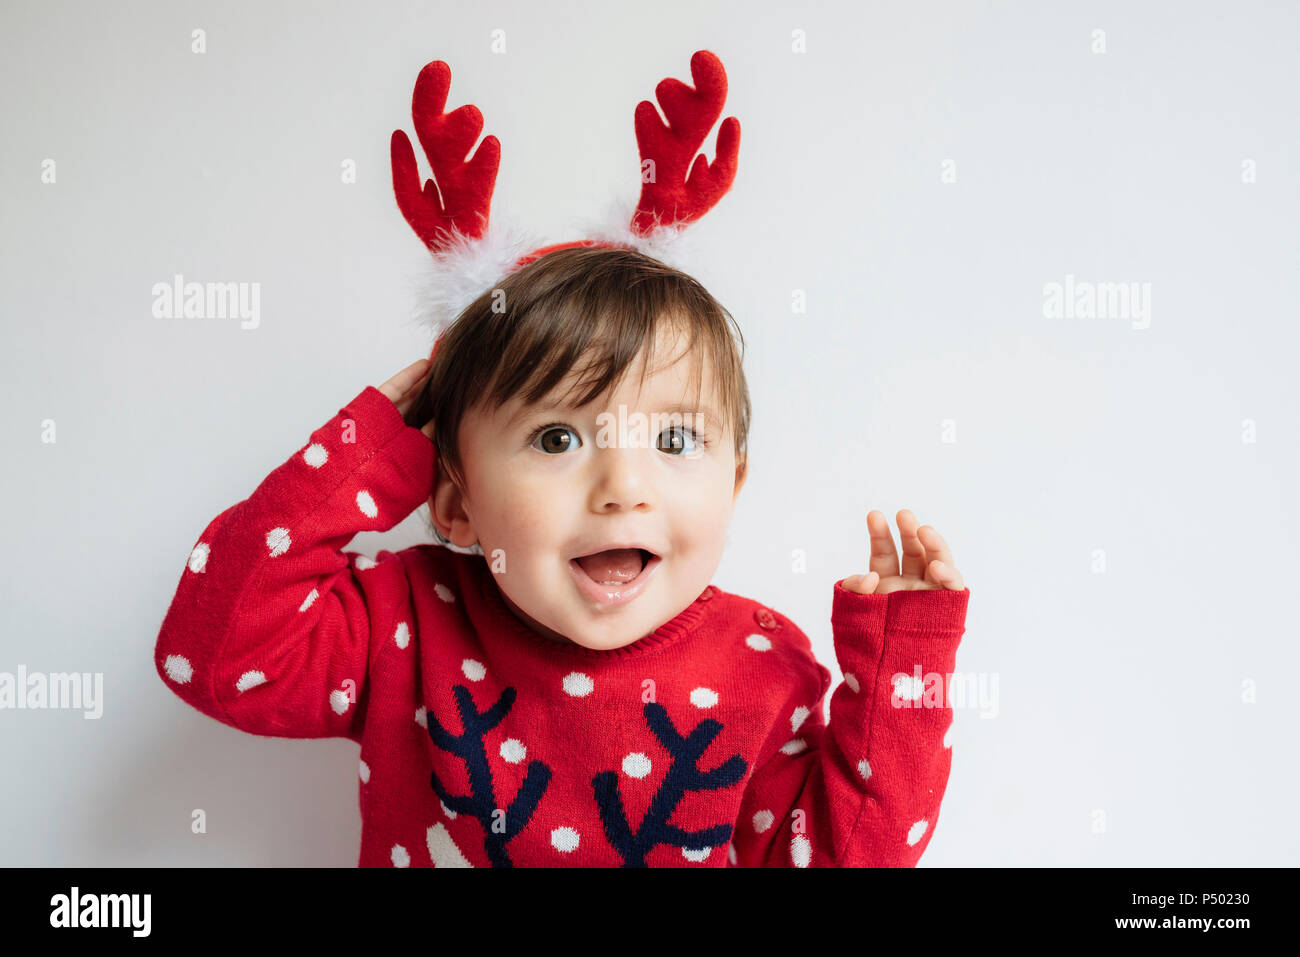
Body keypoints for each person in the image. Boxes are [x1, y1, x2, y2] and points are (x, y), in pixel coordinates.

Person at [153, 244, 970, 867]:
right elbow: (214, 654)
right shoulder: (403, 618)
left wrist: (900, 675)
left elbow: (842, 855)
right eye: (557, 437)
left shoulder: (765, 664)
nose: (623, 487)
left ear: (735, 483)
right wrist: (372, 451)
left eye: (675, 438)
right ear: (456, 502)